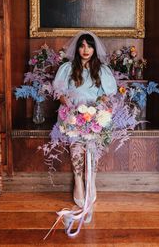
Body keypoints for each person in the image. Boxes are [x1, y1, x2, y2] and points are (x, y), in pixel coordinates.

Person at [52, 31, 117, 211]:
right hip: (73, 113)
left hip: (95, 114)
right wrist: (70, 107)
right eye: (82, 46)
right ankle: (78, 182)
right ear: (78, 48)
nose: (85, 50)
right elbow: (60, 94)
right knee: (77, 146)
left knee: (93, 147)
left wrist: (97, 109)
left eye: (89, 46)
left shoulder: (102, 69)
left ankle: (91, 180)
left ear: (94, 49)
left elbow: (108, 95)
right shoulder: (67, 68)